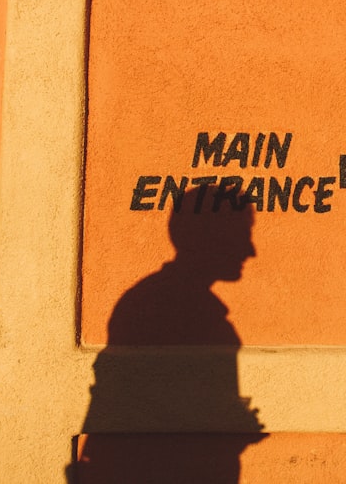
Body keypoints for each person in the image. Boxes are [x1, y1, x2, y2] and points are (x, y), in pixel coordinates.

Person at [70, 188, 265, 483]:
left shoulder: (167, 301)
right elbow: (150, 410)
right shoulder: (172, 306)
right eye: (240, 234)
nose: (250, 250)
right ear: (209, 239)